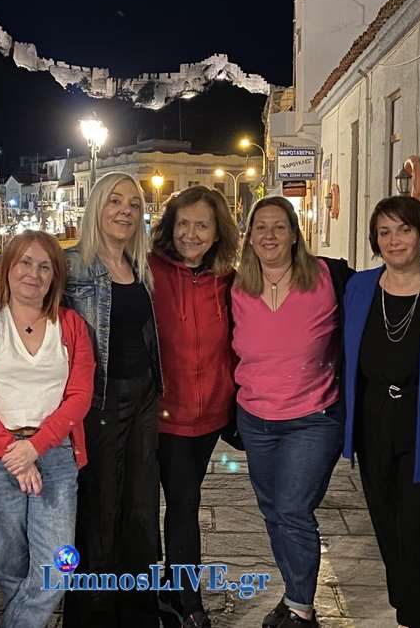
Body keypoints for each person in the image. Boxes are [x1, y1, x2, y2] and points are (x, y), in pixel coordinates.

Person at [0, 230, 95, 628]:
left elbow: (79, 396)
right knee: (11, 567)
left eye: (44, 267)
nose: (33, 273)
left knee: (56, 567)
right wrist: (12, 452)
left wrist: (34, 448)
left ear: (55, 277)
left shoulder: (70, 325)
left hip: (55, 454)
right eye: (25, 262)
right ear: (7, 268)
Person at [230, 196, 351, 628]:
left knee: (293, 510)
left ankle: (301, 609)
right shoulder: (236, 287)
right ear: (249, 237)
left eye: (279, 226)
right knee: (273, 512)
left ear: (294, 234)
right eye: (260, 227)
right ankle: (294, 595)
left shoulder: (328, 277)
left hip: (313, 417)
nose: (269, 235)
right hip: (256, 419)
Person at [342, 196, 420, 628]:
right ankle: (407, 602)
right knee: (387, 524)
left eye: (404, 229)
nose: (394, 240)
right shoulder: (359, 288)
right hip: (373, 422)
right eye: (384, 232)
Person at [62, 174, 164, 627]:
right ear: (97, 208)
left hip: (143, 397)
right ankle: (93, 612)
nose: (125, 210)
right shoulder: (72, 266)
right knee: (99, 511)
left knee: (140, 508)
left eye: (134, 204)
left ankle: (137, 609)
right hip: (99, 402)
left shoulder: (138, 265)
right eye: (115, 201)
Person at [147, 186, 240, 628]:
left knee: (184, 502)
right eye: (183, 223)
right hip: (160, 414)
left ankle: (175, 590)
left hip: (208, 418)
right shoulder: (147, 270)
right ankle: (182, 598)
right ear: (169, 227)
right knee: (173, 505)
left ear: (218, 232)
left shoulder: (230, 279)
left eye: (202, 225)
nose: (191, 233)